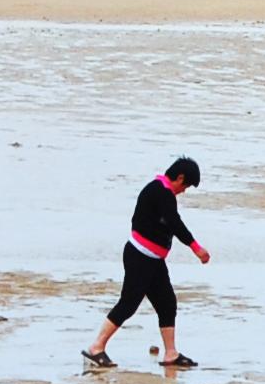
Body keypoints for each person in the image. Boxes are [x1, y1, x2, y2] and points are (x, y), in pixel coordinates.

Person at [82, 157, 209, 371]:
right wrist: (195, 247)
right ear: (179, 177)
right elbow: (174, 222)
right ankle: (96, 347)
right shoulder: (160, 192)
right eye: (185, 185)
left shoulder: (159, 191)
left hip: (153, 260)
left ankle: (171, 353)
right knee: (129, 303)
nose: (184, 191)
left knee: (167, 303)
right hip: (140, 256)